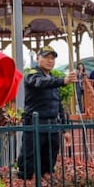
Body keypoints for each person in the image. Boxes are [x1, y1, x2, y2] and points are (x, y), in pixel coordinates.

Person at [17, 46, 75, 179]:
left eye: (52, 58)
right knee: (28, 161)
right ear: (38, 59)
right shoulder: (32, 74)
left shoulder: (53, 78)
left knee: (49, 161)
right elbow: (39, 83)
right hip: (35, 126)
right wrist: (63, 81)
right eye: (46, 57)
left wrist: (65, 129)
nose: (50, 61)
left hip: (52, 127)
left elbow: (58, 105)